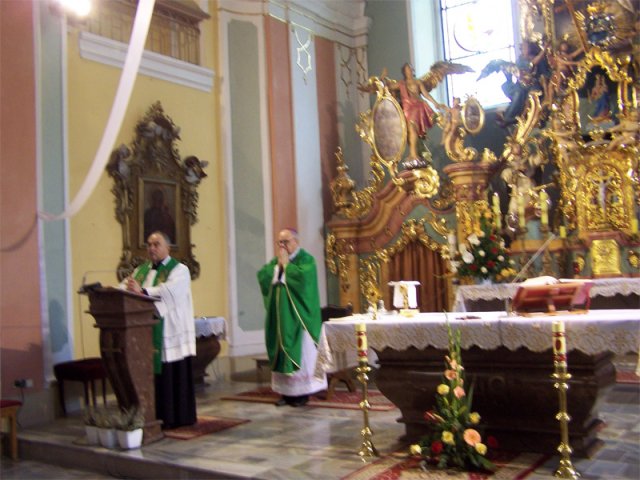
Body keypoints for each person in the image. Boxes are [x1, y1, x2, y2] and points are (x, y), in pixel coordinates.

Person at [121, 231, 196, 429]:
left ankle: (176, 417)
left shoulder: (179, 270)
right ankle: (155, 415)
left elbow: (171, 291)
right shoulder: (141, 270)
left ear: (167, 248)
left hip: (170, 329)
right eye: (149, 244)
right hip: (146, 331)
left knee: (171, 375)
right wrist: (115, 289)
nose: (151, 248)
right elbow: (128, 286)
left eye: (156, 244)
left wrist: (143, 291)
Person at [257, 228, 327, 407]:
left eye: (286, 242)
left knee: (302, 355)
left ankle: (302, 394)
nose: (282, 246)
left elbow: (304, 279)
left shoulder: (306, 259)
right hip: (281, 320)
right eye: (279, 242)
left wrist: (286, 267)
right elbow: (263, 275)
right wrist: (279, 267)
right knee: (281, 352)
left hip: (299, 319)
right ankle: (286, 393)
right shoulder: (277, 261)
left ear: (296, 241)